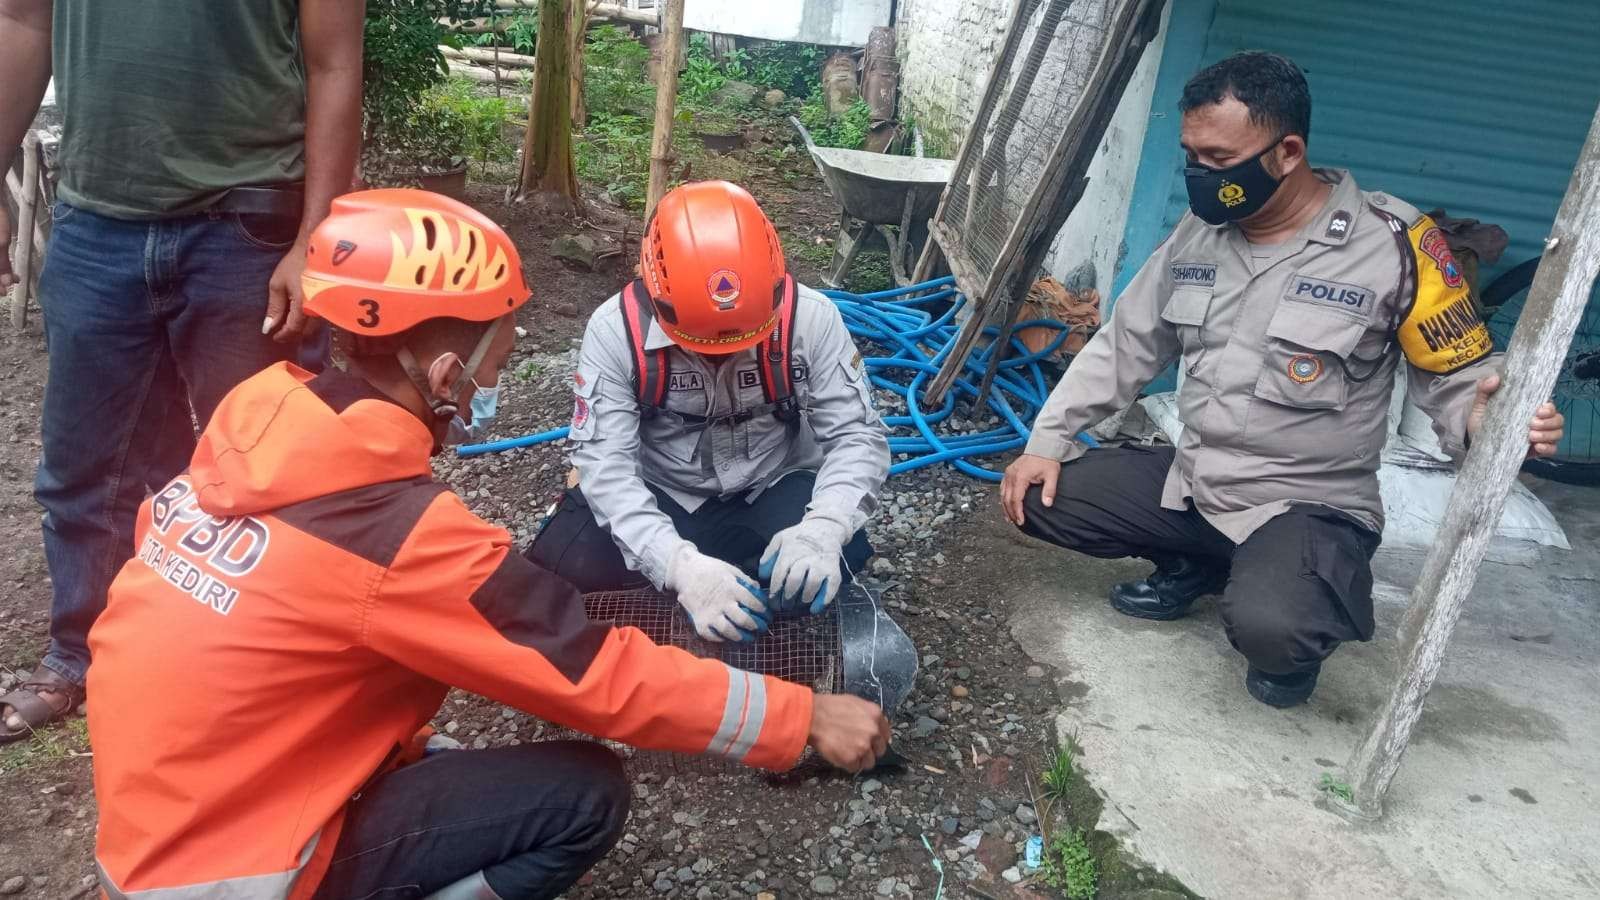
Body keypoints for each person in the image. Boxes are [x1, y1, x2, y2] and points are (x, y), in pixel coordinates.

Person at [85, 190, 892, 900]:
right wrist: (800, 714)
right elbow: (589, 668)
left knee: (824, 559)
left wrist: (822, 529)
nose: (497, 377)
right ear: (445, 375)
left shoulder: (252, 429)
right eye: (500, 355)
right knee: (584, 794)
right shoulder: (403, 536)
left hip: (162, 823)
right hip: (246, 870)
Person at [999, 52, 1565, 708]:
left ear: (1288, 150)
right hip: (1199, 481)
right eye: (1191, 155)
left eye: (1217, 158)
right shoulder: (1197, 234)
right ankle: (1203, 563)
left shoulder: (1395, 242)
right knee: (1039, 497)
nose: (1198, 176)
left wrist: (1486, 421)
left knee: (1274, 631)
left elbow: (1457, 374)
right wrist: (1048, 439)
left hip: (1309, 501)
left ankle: (1302, 603)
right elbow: (1125, 346)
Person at [0, 0, 361, 742]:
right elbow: (23, 23)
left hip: (249, 223)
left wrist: (316, 237)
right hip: (97, 219)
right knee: (85, 468)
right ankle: (87, 652)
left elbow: (333, 62)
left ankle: (269, 665)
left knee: (276, 469)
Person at [527, 181, 890, 642]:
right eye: (698, 345)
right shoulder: (614, 332)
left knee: (839, 556)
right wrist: (678, 565)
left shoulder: (812, 319)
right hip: (665, 488)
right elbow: (606, 467)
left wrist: (823, 528)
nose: (720, 357)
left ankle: (750, 582)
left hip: (769, 483)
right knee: (560, 567)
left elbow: (858, 436)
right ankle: (706, 579)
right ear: (655, 295)